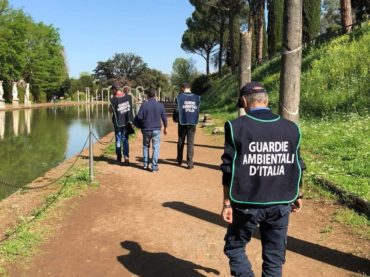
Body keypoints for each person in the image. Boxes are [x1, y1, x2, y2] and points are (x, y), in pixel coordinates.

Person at [220, 81, 305, 277]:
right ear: (266, 100)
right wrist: (298, 194)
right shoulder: (292, 128)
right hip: (281, 202)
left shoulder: (235, 127)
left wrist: (226, 203)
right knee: (274, 258)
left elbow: (228, 168)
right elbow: (298, 164)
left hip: (247, 203)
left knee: (235, 247)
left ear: (244, 101)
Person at [134, 88, 167, 172]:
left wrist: (138, 124)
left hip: (146, 129)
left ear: (147, 95)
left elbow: (139, 117)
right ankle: (154, 166)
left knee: (146, 146)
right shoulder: (160, 105)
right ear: (155, 95)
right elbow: (164, 118)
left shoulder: (144, 105)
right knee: (156, 147)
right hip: (156, 129)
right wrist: (165, 128)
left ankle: (145, 165)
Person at [172, 82, 200, 169]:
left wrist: (174, 118)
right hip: (193, 122)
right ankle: (190, 163)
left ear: (183, 88)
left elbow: (176, 110)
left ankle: (179, 160)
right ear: (190, 88)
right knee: (190, 143)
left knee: (181, 140)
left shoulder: (179, 97)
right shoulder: (197, 97)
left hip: (182, 121)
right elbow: (198, 108)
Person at [109, 83, 134, 165]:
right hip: (126, 122)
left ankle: (119, 157)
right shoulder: (128, 97)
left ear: (114, 90)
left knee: (118, 139)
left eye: (112, 90)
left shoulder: (114, 99)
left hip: (118, 124)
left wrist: (112, 102)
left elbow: (110, 110)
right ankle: (126, 157)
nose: (112, 92)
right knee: (125, 140)